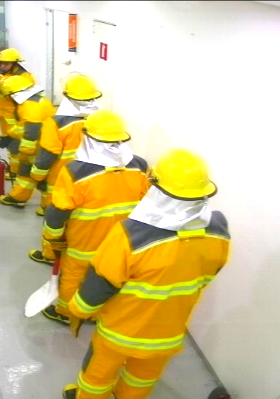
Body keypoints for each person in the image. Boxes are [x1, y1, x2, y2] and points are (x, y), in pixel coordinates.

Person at [61, 148, 230, 399]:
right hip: (167, 334)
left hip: (119, 333)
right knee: (142, 378)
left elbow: (100, 285)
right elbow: (207, 276)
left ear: (155, 187)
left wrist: (77, 310)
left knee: (97, 375)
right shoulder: (219, 230)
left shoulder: (130, 235)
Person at [40, 110, 151, 328]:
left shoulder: (74, 172)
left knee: (74, 274)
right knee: (110, 277)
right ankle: (99, 311)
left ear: (87, 137)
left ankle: (65, 311)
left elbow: (58, 212)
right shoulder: (139, 166)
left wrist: (51, 239)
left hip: (84, 240)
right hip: (121, 241)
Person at [28, 73, 102, 265]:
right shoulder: (99, 121)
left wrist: (37, 176)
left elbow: (46, 156)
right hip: (90, 180)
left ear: (67, 97)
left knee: (55, 219)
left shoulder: (56, 124)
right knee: (77, 218)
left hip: (62, 179)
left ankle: (50, 254)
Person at [0, 75, 56, 209]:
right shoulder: (38, 101)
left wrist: (25, 152)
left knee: (27, 172)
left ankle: (18, 198)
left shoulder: (29, 106)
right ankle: (47, 206)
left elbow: (32, 131)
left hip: (38, 146)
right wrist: (11, 134)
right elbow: (24, 125)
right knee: (43, 176)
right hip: (46, 143)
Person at [0, 48, 33, 178]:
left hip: (14, 114)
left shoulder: (24, 76)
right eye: (1, 63)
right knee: (9, 142)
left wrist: (1, 87)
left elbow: (28, 94)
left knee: (15, 143)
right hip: (2, 113)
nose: (3, 66)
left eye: (7, 63)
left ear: (15, 63)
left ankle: (16, 171)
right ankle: (13, 166)